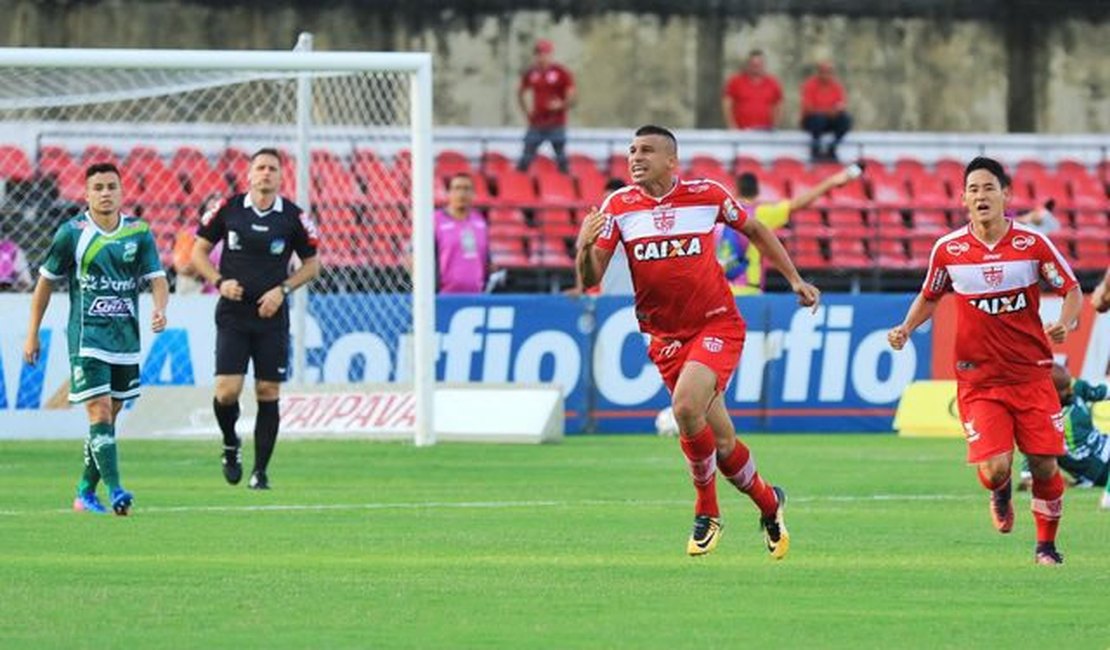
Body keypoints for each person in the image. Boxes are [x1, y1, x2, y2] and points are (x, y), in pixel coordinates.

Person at [575, 125, 820, 557]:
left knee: (686, 407)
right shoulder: (618, 206)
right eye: (632, 150)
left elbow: (758, 231)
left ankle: (706, 510)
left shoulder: (706, 194)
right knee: (722, 444)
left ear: (672, 161)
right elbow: (591, 278)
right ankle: (769, 502)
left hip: (716, 324)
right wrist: (583, 247)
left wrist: (795, 279)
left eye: (647, 150)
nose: (636, 157)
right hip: (664, 337)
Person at [887, 156, 1082, 565]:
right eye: (973, 189)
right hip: (980, 380)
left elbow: (1071, 289)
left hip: (1030, 375)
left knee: (1046, 465)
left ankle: (1046, 547)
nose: (981, 196)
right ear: (962, 199)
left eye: (989, 188)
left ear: (1006, 195)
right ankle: (1000, 489)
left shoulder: (1032, 243)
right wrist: (906, 328)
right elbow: (930, 295)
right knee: (995, 468)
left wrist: (1065, 322)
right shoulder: (949, 250)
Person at [23, 162, 169, 515]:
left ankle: (84, 492)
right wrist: (32, 334)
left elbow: (157, 277)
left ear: (122, 192)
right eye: (98, 187)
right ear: (86, 194)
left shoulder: (138, 232)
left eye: (111, 187)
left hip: (125, 339)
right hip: (87, 337)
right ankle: (116, 490)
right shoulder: (71, 233)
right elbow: (45, 283)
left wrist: (160, 308)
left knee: (110, 415)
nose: (105, 193)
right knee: (99, 410)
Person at [191, 148, 320, 490]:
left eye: (272, 169)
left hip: (271, 317)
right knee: (227, 391)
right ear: (249, 175)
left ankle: (260, 471)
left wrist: (283, 290)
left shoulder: (294, 217)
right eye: (260, 168)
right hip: (234, 314)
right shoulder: (228, 209)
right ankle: (230, 443)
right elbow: (197, 251)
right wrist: (219, 282)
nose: (266, 173)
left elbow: (312, 265)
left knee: (267, 389)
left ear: (280, 177)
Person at [717, 164, 861, 295]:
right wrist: (831, 182)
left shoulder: (722, 214)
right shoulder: (761, 214)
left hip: (721, 289)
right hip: (748, 290)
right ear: (757, 192)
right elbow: (798, 204)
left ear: (735, 190)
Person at [1016, 364, 1109, 510]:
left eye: (1069, 384)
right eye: (1065, 388)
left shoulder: (1077, 388)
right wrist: (1033, 480)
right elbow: (1030, 469)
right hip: (1097, 471)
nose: (1070, 390)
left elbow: (1103, 392)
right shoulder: (1039, 422)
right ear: (1049, 392)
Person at [516, 39, 576, 174]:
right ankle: (519, 181)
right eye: (538, 54)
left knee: (561, 157)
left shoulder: (560, 72)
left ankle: (567, 183)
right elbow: (520, 93)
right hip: (537, 122)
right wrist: (527, 112)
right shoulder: (532, 73)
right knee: (526, 156)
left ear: (550, 55)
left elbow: (571, 95)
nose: (541, 57)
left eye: (544, 54)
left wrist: (561, 104)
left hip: (556, 122)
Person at [434, 173, 490, 293]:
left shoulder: (480, 221)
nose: (462, 193)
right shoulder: (435, 220)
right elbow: (411, 257)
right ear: (448, 193)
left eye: (466, 189)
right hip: (443, 296)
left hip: (476, 296)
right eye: (457, 188)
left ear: (473, 194)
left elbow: (485, 256)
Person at [799, 60, 852, 162]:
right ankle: (815, 150)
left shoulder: (836, 86)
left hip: (830, 119)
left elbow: (841, 105)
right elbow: (808, 109)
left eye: (829, 71)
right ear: (819, 72)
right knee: (819, 119)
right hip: (813, 120)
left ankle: (832, 149)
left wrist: (836, 110)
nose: (826, 74)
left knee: (846, 120)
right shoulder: (810, 85)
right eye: (824, 71)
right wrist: (827, 112)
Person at [172, 193, 223, 294]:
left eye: (219, 212)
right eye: (211, 211)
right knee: (185, 279)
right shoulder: (189, 234)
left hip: (225, 286)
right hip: (198, 284)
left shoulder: (232, 234)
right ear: (203, 212)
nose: (214, 216)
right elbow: (183, 267)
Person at [721, 49, 783, 130]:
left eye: (759, 64)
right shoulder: (735, 81)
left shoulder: (773, 83)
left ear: (764, 64)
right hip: (741, 132)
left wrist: (775, 126)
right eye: (753, 64)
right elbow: (727, 105)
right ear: (748, 64)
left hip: (765, 132)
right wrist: (732, 126)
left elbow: (779, 105)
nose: (756, 67)